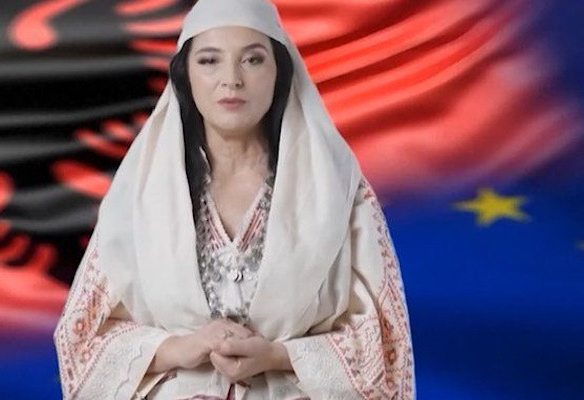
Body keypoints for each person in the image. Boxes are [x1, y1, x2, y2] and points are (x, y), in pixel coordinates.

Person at [53, 0, 415, 398]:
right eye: (209, 61)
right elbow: (81, 341)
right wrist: (183, 347)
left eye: (252, 60)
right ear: (185, 75)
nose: (231, 80)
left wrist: (278, 356)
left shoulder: (337, 189)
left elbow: (386, 346)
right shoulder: (142, 192)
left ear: (279, 72)